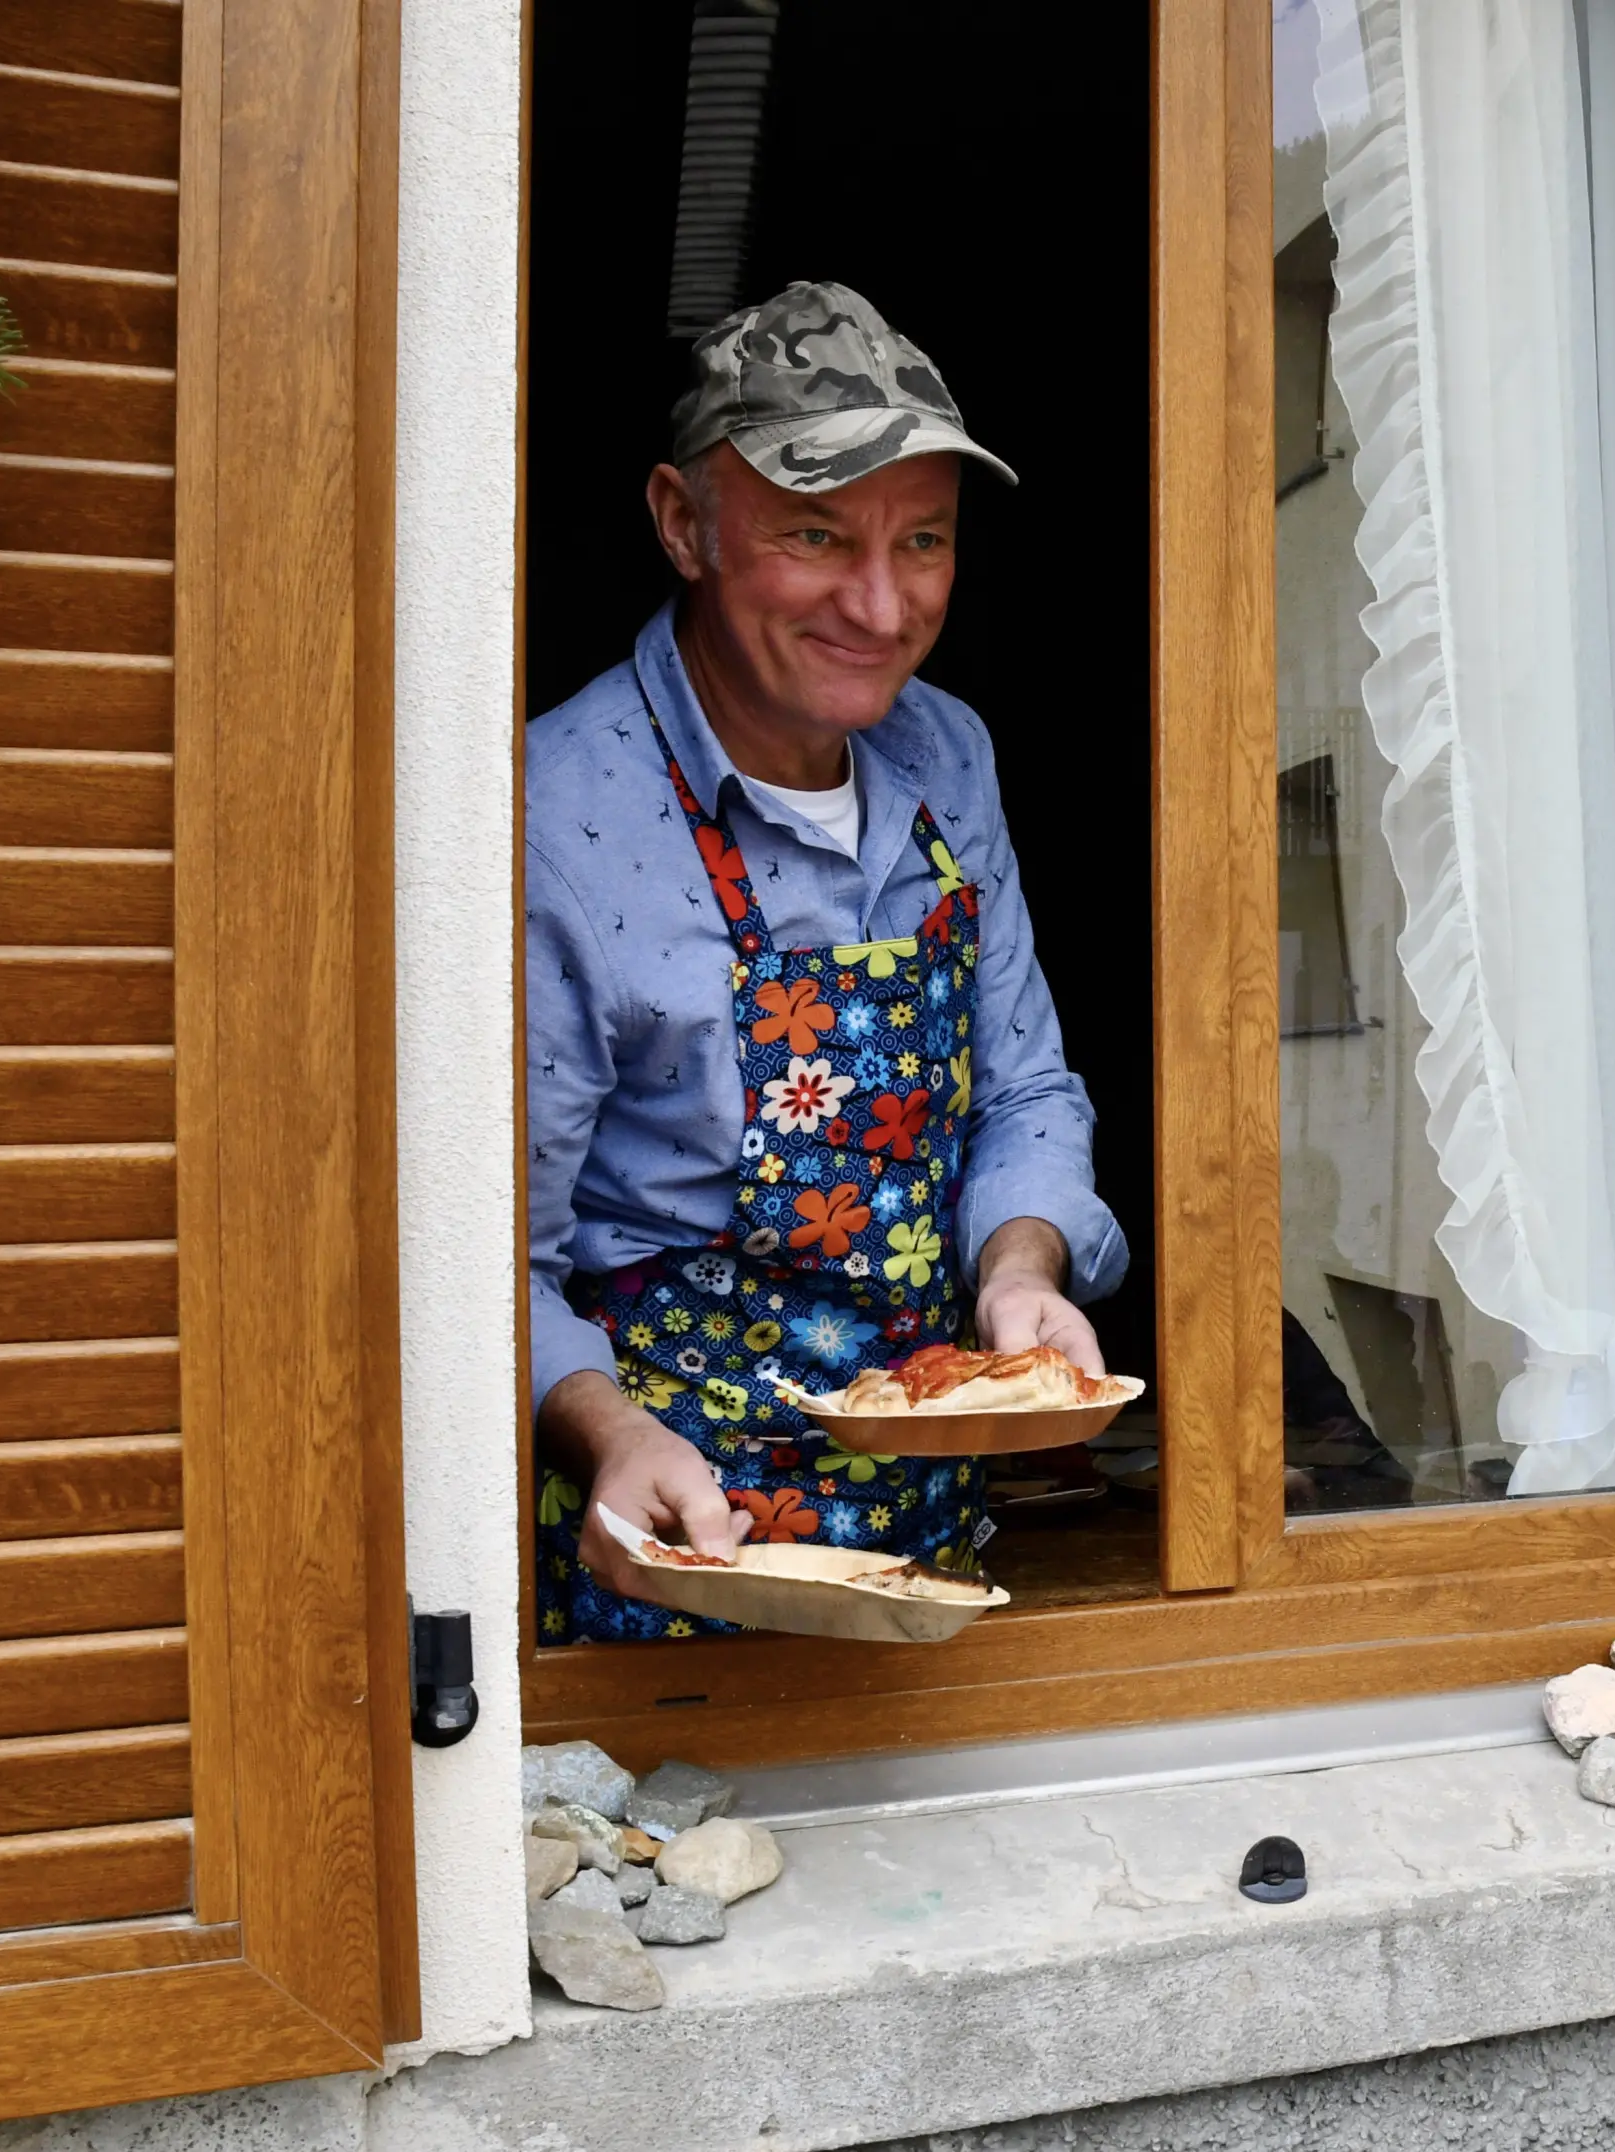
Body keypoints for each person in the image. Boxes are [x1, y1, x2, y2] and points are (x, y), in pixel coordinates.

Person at [523, 281, 1124, 1642]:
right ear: (683, 524)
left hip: (927, 1540)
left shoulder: (947, 755)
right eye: (814, 533)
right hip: (680, 1546)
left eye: (923, 540)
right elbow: (486, 1259)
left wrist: (1019, 1276)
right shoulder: (555, 820)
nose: (879, 601)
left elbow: (1024, 1089)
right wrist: (603, 1434)